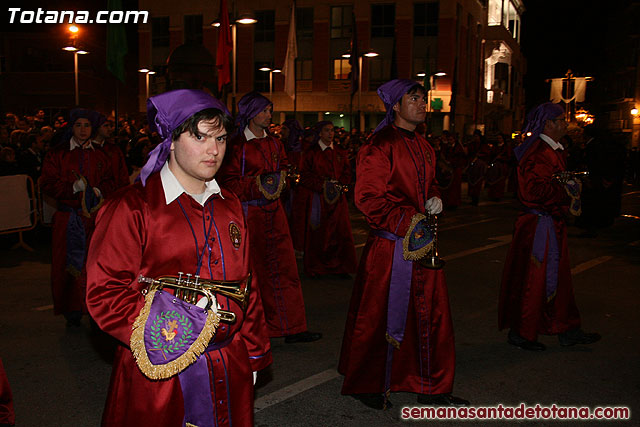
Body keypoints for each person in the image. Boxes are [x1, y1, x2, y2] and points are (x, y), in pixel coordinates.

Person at [86, 90, 272, 426]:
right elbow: (106, 292)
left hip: (228, 360)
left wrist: (254, 353)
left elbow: (249, 284)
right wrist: (180, 333)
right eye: (199, 136)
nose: (213, 150)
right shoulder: (131, 206)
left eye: (220, 138)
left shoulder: (230, 204)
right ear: (171, 140)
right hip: (159, 369)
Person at [339, 79, 467, 409]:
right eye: (415, 98)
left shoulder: (425, 145)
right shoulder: (379, 144)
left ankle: (432, 383)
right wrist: (406, 220)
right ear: (396, 105)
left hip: (422, 243)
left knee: (431, 315)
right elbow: (367, 198)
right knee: (380, 316)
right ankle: (367, 383)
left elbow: (430, 183)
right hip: (391, 247)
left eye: (424, 98)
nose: (423, 104)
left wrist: (435, 196)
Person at [218, 91, 321, 343]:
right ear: (251, 113)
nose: (268, 115)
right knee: (251, 273)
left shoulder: (275, 143)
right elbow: (227, 183)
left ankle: (292, 326)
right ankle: (250, 329)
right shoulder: (236, 146)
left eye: (269, 110)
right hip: (248, 216)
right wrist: (258, 184)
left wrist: (281, 182)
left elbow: (284, 170)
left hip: (275, 215)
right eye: (264, 110)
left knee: (285, 269)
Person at [499, 102, 601, 351]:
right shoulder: (539, 153)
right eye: (561, 120)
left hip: (548, 223)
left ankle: (565, 327)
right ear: (548, 124)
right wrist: (567, 189)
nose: (566, 123)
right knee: (534, 280)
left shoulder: (551, 150)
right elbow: (532, 191)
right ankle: (523, 332)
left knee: (557, 278)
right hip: (539, 226)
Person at [40, 108, 116, 326]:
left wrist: (101, 190)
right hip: (68, 219)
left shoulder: (101, 154)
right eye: (78, 125)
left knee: (96, 266)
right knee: (68, 266)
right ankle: (71, 309)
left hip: (95, 219)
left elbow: (113, 181)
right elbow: (46, 182)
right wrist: (71, 188)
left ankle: (95, 309)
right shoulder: (58, 154)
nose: (83, 130)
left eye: (87, 126)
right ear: (72, 127)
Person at [300, 121, 357, 278]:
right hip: (319, 200)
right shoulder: (311, 153)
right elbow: (305, 176)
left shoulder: (340, 151)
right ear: (320, 133)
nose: (330, 134)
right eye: (326, 130)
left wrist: (340, 185)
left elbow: (347, 172)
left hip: (338, 201)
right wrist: (323, 186)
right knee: (319, 234)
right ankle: (318, 268)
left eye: (332, 130)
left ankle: (339, 267)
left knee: (340, 232)